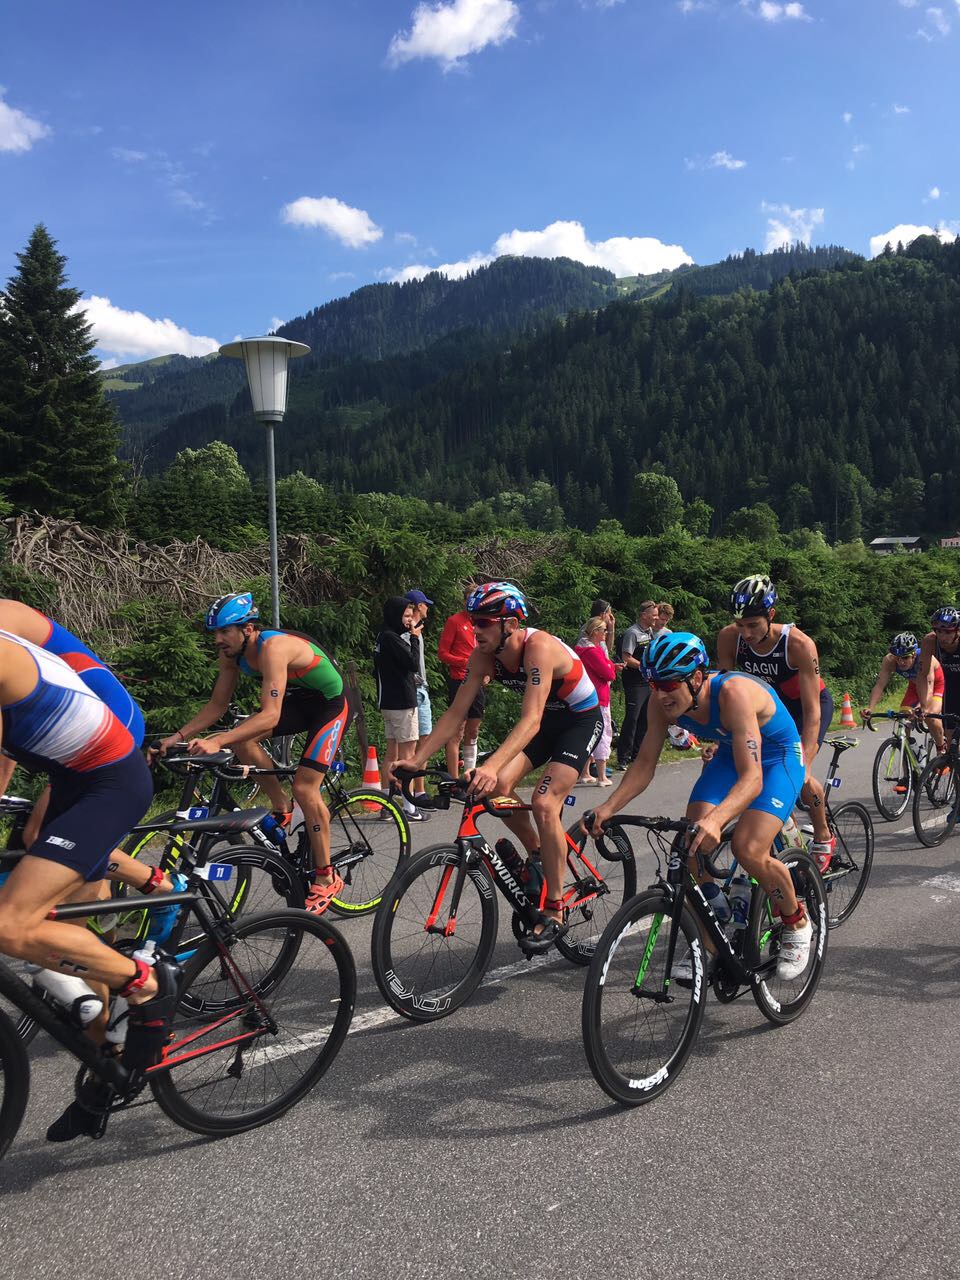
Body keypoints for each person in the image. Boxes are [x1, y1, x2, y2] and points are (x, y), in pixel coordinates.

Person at [0, 626, 167, 1138]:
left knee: (11, 923)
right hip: (70, 767)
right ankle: (104, 1059)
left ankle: (144, 984)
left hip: (108, 776)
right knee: (56, 910)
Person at [588, 631, 813, 981]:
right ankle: (711, 933)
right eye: (652, 683)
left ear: (696, 677)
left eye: (667, 683)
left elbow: (752, 778)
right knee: (688, 845)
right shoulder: (660, 703)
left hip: (778, 758)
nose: (660, 693)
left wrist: (717, 819)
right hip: (730, 753)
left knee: (748, 848)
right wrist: (608, 806)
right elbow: (644, 764)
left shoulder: (734, 694)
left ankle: (796, 919)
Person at [392, 581, 603, 952]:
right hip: (545, 723)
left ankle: (555, 909)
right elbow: (456, 712)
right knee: (499, 787)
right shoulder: (483, 655)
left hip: (578, 721)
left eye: (485, 622)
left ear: (510, 624)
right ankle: (540, 852)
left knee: (543, 803)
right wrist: (417, 759)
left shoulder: (538, 647)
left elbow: (531, 719)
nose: (476, 629)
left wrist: (489, 765)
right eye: (474, 621)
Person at [156, 593, 350, 912]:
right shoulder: (232, 654)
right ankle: (280, 806)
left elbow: (270, 715)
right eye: (214, 633)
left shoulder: (274, 647)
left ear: (247, 629)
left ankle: (327, 877)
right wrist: (176, 737)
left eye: (224, 631)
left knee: (305, 786)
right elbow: (218, 705)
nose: (217, 640)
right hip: (300, 703)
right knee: (241, 739)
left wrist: (216, 741)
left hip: (330, 704)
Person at [0, 600, 178, 898]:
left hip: (111, 720)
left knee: (40, 835)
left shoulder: (5, 614)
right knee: (78, 866)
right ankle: (100, 927)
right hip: (74, 722)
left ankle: (164, 891)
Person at [715, 575, 835, 871]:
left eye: (753, 625)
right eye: (740, 625)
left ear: (771, 615)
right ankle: (791, 840)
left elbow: (812, 712)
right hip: (767, 712)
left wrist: (803, 763)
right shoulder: (729, 637)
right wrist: (719, 740)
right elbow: (723, 695)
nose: (746, 633)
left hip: (804, 709)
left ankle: (823, 834)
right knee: (767, 780)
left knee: (800, 777)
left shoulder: (798, 644)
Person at [374, 596, 428, 822]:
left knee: (392, 753)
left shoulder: (382, 636)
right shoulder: (392, 638)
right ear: (395, 615)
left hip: (388, 702)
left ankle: (387, 804)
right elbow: (413, 663)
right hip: (402, 703)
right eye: (405, 616)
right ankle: (408, 807)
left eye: (410, 616)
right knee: (408, 755)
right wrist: (415, 638)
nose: (409, 620)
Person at [862, 632, 945, 753]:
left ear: (913, 655)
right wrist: (870, 708)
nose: (900, 662)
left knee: (930, 716)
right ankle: (910, 757)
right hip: (915, 686)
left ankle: (941, 747)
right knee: (903, 718)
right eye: (897, 657)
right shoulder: (889, 660)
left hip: (934, 685)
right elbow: (879, 685)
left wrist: (921, 707)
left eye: (905, 657)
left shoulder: (925, 659)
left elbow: (929, 685)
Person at [437, 583, 486, 778]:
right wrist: (464, 662)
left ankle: (469, 773)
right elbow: (442, 653)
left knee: (473, 730)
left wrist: (488, 669)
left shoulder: (483, 622)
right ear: (465, 600)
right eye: (470, 599)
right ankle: (454, 778)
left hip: (479, 680)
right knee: (457, 730)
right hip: (459, 680)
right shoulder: (455, 621)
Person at [576, 615, 619, 786]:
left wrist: (610, 665)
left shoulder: (581, 649)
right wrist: (610, 666)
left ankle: (585, 773)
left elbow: (607, 665)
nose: (606, 633)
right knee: (603, 733)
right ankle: (602, 776)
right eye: (603, 630)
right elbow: (609, 674)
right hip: (599, 695)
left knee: (589, 734)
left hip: (586, 695)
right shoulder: (592, 651)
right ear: (595, 632)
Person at [616, 601, 658, 769]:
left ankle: (637, 754)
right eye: (653, 615)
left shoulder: (650, 632)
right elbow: (626, 658)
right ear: (644, 615)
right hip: (634, 682)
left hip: (647, 681)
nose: (656, 618)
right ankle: (623, 758)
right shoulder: (632, 633)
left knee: (644, 719)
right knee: (632, 718)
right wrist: (644, 667)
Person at [404, 589, 434, 803]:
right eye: (424, 604)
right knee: (417, 743)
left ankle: (419, 790)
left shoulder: (417, 630)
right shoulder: (407, 631)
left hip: (421, 688)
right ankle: (414, 792)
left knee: (423, 740)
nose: (427, 608)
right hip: (415, 689)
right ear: (416, 606)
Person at [918, 606, 960, 746]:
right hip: (951, 687)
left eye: (948, 632)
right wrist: (924, 705)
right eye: (939, 632)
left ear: (957, 631)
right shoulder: (930, 641)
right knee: (950, 740)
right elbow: (923, 675)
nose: (942, 637)